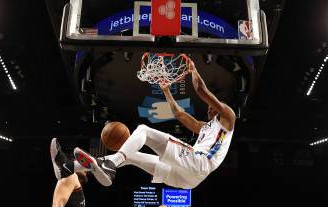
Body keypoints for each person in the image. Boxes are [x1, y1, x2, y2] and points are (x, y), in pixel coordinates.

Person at [53, 60, 236, 190]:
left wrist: (194, 70)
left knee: (143, 131)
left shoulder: (228, 118)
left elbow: (200, 90)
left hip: (199, 163)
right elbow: (179, 114)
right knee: (129, 156)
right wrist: (166, 91)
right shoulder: (204, 127)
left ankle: (111, 163)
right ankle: (69, 167)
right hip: (188, 180)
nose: (210, 109)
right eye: (209, 109)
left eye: (214, 106)